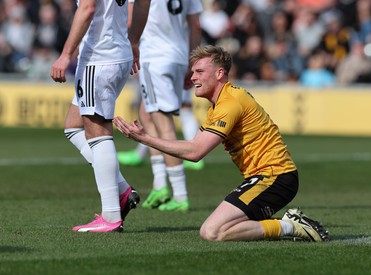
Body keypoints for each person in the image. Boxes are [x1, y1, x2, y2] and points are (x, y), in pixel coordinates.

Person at [113, 45, 330, 242]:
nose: (193, 77)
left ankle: (290, 226)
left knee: (212, 231)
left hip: (275, 177)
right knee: (220, 229)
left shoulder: (230, 102)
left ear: (219, 73)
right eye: (193, 71)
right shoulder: (218, 105)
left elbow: (195, 152)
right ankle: (288, 223)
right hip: (268, 177)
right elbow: (193, 145)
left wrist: (144, 139)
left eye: (199, 72)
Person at [50, 0, 150, 232]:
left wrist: (66, 55)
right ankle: (123, 190)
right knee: (74, 127)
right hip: (118, 52)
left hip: (100, 56)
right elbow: (144, 2)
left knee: (98, 133)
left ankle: (111, 216)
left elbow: (87, 7)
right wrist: (133, 40)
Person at [118, 0, 203, 212]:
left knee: (163, 121)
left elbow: (130, 19)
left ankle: (180, 194)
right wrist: (192, 62)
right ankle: (159, 185)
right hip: (179, 56)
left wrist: (130, 45)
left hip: (154, 55)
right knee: (146, 112)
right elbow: (195, 26)